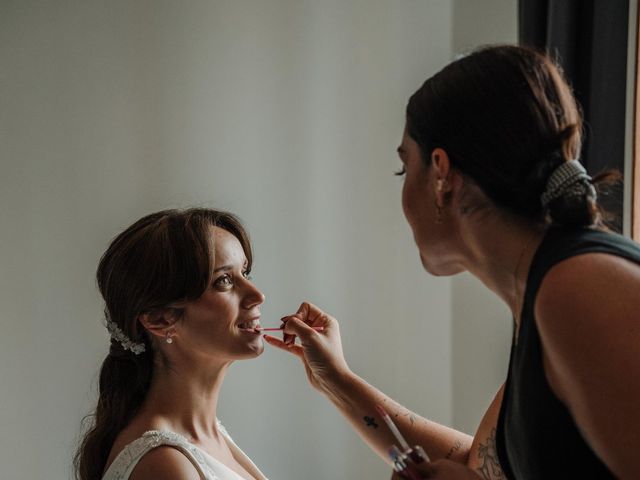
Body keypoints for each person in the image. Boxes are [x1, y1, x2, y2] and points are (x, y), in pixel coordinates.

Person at [265, 45, 640, 479]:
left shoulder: (577, 288)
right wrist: (336, 379)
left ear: (441, 174)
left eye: (404, 169)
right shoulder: (544, 296)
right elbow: (483, 465)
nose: (402, 196)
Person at [75, 208, 269, 480]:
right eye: (223, 281)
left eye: (245, 274)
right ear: (159, 320)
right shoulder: (165, 464)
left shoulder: (208, 437)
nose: (257, 295)